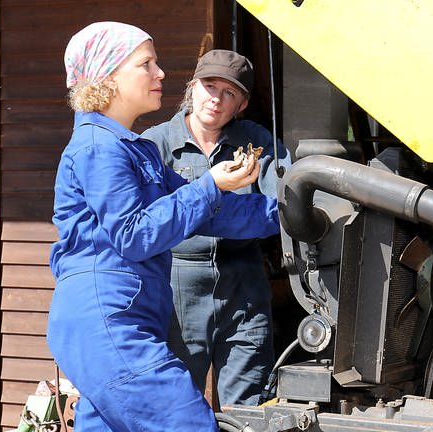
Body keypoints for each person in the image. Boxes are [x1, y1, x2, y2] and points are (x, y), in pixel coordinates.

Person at [45, 22, 280, 431]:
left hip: (125, 318)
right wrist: (211, 184)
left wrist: (290, 213)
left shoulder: (135, 150)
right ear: (110, 76)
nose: (161, 74)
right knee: (187, 423)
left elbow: (209, 212)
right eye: (146, 64)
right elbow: (134, 234)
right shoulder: (100, 148)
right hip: (109, 321)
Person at [141, 49, 292, 406]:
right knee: (175, 404)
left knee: (249, 407)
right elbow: (149, 220)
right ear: (193, 87)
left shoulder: (257, 144)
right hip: (176, 285)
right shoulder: (156, 143)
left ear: (242, 104)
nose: (216, 99)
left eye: (229, 93)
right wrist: (240, 212)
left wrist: (197, 213)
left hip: (244, 286)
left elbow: (286, 206)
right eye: (210, 86)